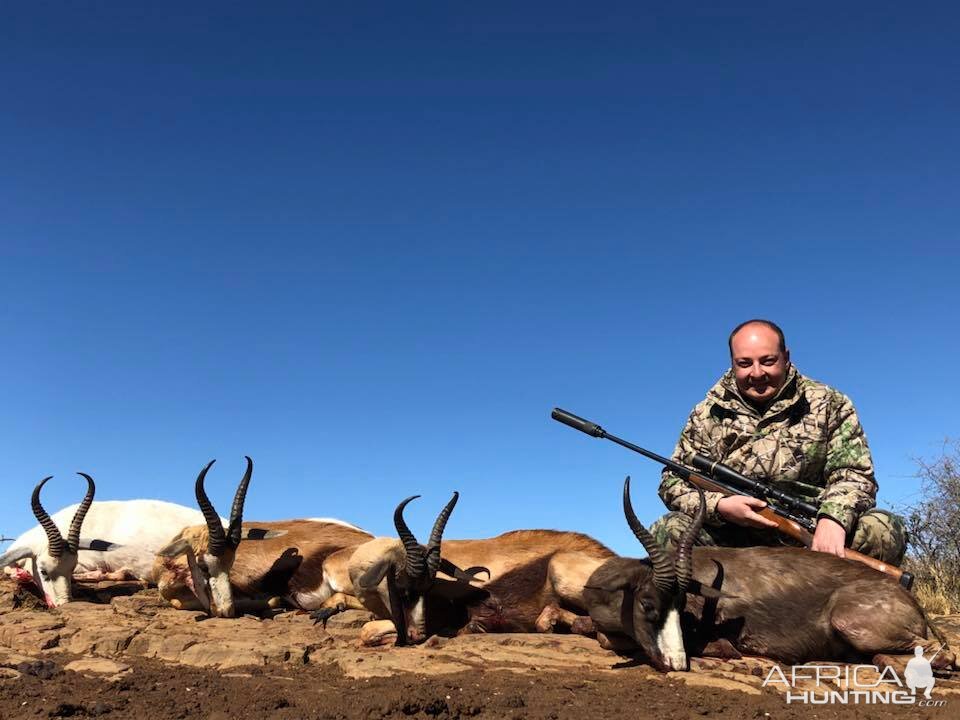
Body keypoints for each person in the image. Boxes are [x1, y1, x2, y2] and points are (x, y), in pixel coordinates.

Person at [650, 319, 906, 564]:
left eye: (768, 361)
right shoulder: (706, 413)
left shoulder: (830, 402)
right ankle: (710, 609)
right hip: (733, 542)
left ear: (786, 356)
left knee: (883, 530)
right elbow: (673, 481)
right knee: (668, 531)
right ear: (733, 363)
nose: (757, 373)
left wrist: (833, 519)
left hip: (812, 532)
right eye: (745, 363)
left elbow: (854, 473)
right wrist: (720, 506)